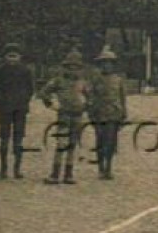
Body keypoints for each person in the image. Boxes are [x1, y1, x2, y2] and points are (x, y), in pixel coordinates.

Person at [39, 50, 89, 185]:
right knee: (61, 144)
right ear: (65, 67)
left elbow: (90, 97)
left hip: (77, 116)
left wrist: (86, 106)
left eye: (76, 67)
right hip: (64, 115)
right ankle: (55, 174)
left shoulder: (82, 82)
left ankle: (68, 174)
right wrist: (50, 104)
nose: (73, 70)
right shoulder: (58, 81)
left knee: (73, 144)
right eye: (70, 67)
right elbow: (43, 93)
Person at [0, 43, 35, 179]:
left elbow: (30, 89)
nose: (12, 59)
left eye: (14, 56)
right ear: (5, 57)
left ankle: (17, 169)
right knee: (4, 138)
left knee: (18, 138)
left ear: (20, 57)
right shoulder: (0, 71)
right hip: (4, 108)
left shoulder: (25, 71)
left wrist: (23, 101)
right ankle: (4, 168)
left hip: (20, 108)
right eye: (9, 56)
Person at [88, 47, 128, 180]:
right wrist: (91, 113)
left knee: (110, 143)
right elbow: (91, 97)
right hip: (98, 114)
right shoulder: (95, 80)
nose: (107, 65)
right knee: (100, 142)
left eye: (109, 63)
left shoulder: (118, 80)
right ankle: (100, 168)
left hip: (113, 115)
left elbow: (122, 98)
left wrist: (123, 114)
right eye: (104, 63)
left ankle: (108, 168)